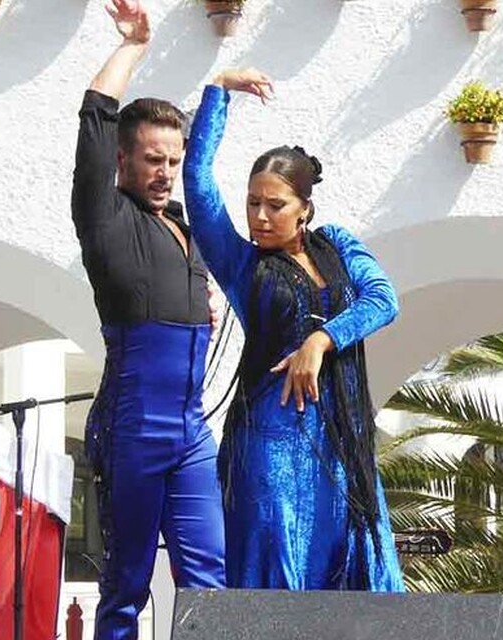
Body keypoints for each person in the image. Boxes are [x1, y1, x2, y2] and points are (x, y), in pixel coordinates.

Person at [182, 69, 404, 591]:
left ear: (304, 208)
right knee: (278, 568)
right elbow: (197, 184)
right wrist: (218, 93)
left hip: (340, 440)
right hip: (272, 438)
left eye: (274, 205)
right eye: (252, 204)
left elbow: (384, 300)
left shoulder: (339, 246)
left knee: (353, 563)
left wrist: (320, 340)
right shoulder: (243, 265)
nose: (259, 217)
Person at [71, 0, 226, 636]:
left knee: (209, 578)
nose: (165, 173)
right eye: (152, 160)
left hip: (190, 429)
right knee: (127, 582)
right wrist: (133, 46)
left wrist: (219, 93)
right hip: (134, 425)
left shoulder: (183, 228)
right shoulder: (106, 221)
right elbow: (94, 119)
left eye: (172, 160)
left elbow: (200, 167)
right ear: (122, 163)